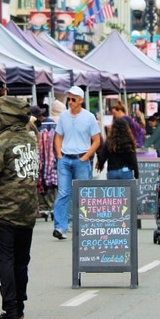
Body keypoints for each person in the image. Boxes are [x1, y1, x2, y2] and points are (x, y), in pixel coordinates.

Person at [0, 97, 39, 319]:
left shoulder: (0, 142)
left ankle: (10, 309)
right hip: (27, 211)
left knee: (4, 261)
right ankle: (19, 305)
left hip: (5, 211)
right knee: (21, 261)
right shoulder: (30, 140)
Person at [52, 86, 101, 240]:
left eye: (73, 99)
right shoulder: (64, 116)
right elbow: (58, 135)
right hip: (65, 158)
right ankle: (60, 227)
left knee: (82, 194)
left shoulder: (89, 117)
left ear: (80, 101)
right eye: (69, 99)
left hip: (80, 158)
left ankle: (83, 225)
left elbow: (97, 140)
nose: (70, 102)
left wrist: (86, 156)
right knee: (63, 193)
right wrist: (59, 154)